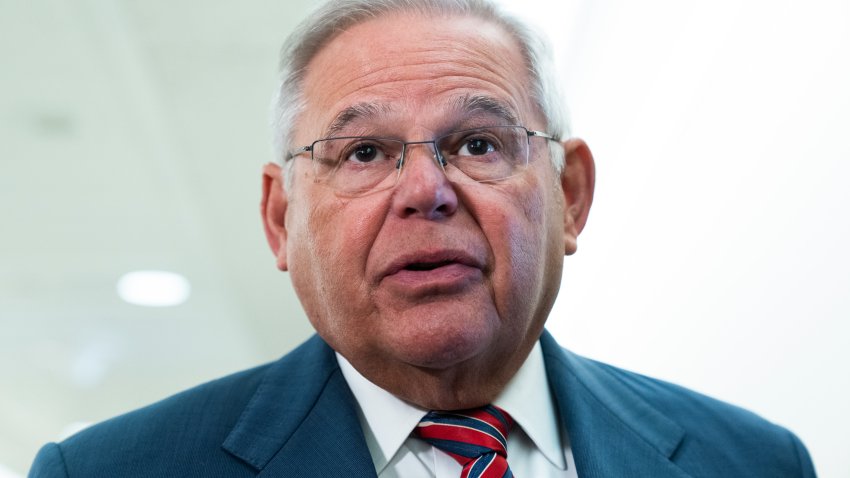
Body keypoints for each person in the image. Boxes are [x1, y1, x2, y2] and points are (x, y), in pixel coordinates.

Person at [30, 0, 816, 476]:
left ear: (569, 197)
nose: (425, 192)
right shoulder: (107, 472)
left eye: (479, 143)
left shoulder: (755, 464)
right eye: (363, 153)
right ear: (280, 220)